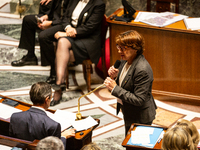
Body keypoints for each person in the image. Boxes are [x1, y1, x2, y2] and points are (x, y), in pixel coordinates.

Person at [48, 0, 105, 106]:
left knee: (62, 52)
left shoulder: (99, 4)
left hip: (88, 39)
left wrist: (68, 33)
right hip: (72, 35)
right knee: (62, 42)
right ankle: (59, 83)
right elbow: (65, 17)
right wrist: (68, 28)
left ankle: (59, 87)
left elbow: (90, 28)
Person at [103, 30, 157, 134]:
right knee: (129, 141)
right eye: (119, 47)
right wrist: (115, 77)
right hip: (128, 111)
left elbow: (139, 99)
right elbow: (127, 83)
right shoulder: (125, 60)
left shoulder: (142, 69)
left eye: (123, 48)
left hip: (140, 117)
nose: (119, 51)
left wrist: (115, 88)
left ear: (135, 48)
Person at [11, 0, 69, 84]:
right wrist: (47, 16)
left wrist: (51, 23)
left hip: (63, 25)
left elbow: (67, 18)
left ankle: (54, 70)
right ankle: (30, 57)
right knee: (28, 20)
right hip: (54, 18)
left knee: (43, 36)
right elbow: (56, 10)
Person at [9, 82, 76, 148]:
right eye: (51, 98)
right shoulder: (53, 126)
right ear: (46, 100)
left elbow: (14, 142)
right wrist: (63, 137)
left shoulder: (15, 117)